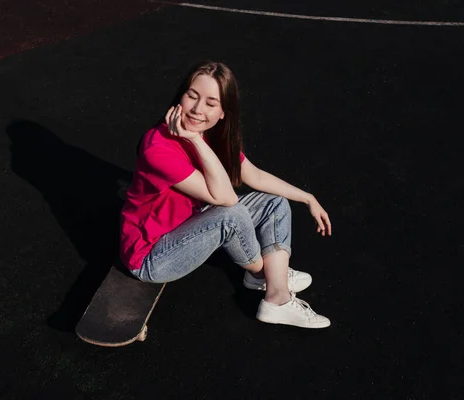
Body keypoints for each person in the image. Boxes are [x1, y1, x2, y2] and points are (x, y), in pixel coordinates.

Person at [120, 61, 333, 329]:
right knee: (230, 215)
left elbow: (254, 176)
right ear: (180, 97)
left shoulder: (212, 136)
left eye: (211, 103)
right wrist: (194, 140)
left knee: (274, 202)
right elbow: (227, 201)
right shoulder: (158, 148)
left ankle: (268, 283)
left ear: (223, 112)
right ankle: (272, 287)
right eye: (192, 96)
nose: (197, 110)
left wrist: (307, 197)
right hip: (151, 256)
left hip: (189, 221)